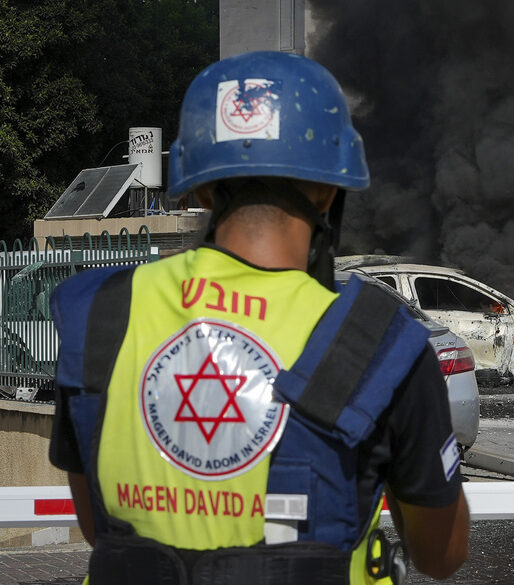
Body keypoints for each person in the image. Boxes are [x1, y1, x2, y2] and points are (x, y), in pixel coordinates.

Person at [47, 51, 469, 584]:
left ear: (202, 186)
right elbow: (441, 556)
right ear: (326, 189)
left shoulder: (102, 314)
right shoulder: (377, 342)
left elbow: (98, 526)